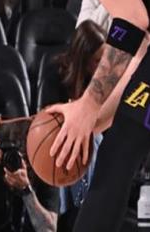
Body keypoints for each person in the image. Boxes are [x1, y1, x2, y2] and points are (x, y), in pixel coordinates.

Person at [26, 0, 150, 231]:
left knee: (119, 153)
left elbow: (131, 22)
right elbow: (140, 47)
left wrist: (88, 106)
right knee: (122, 141)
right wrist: (94, 117)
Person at [46, 20, 105, 232]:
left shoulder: (102, 79)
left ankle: (88, 207)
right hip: (56, 137)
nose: (101, 67)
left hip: (93, 139)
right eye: (96, 61)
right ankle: (69, 213)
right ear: (83, 59)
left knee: (93, 139)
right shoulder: (54, 72)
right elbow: (46, 114)